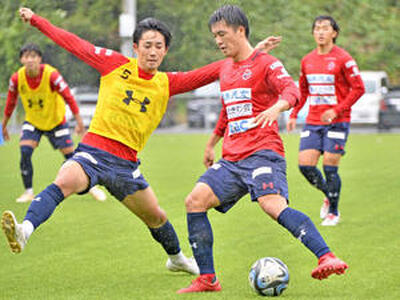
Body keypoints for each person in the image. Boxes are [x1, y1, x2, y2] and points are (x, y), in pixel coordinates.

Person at [1, 7, 279, 274]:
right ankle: (25, 230)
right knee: (64, 181)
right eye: (147, 45)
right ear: (135, 48)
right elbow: (72, 43)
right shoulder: (113, 64)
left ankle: (178, 259)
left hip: (126, 166)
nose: (153, 51)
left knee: (156, 217)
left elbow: (213, 70)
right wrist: (36, 20)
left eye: (159, 46)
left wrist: (252, 55)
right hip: (93, 153)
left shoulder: (167, 83)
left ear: (165, 51)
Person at [178, 5, 349, 294]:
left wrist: (278, 107)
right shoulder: (226, 69)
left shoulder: (267, 63)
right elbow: (226, 109)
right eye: (214, 36)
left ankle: (326, 256)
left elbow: (291, 92)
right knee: (194, 201)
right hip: (232, 159)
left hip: (263, 153)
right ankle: (207, 278)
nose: (218, 41)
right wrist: (211, 144)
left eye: (222, 34)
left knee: (273, 205)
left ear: (240, 30)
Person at [2, 43, 107, 203]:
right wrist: (4, 125)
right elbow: (10, 102)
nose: (30, 60)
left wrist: (80, 123)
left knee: (72, 157)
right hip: (34, 122)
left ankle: (91, 186)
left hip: (56, 121)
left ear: (39, 59)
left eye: (33, 56)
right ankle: (28, 192)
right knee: (25, 151)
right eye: (26, 56)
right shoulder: (17, 78)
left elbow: (69, 98)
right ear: (21, 59)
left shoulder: (52, 75)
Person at [286, 16, 365, 226]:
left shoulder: (344, 59)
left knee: (330, 167)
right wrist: (294, 114)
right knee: (305, 166)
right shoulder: (307, 60)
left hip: (338, 121)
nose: (320, 32)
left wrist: (337, 110)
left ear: (334, 33)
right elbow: (303, 91)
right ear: (313, 33)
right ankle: (329, 194)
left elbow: (359, 88)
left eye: (325, 28)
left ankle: (334, 212)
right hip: (313, 121)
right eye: (317, 28)